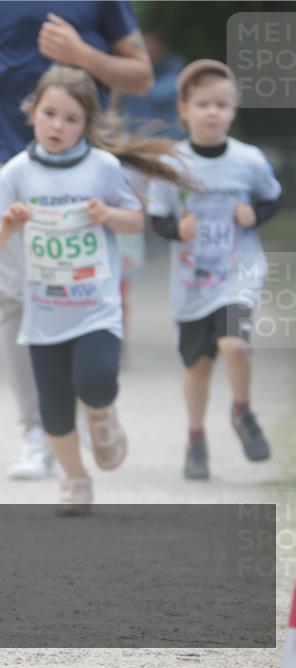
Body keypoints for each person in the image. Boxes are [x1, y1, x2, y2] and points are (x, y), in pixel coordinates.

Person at [0, 0, 153, 479]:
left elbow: (140, 75)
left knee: (77, 289)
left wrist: (83, 54)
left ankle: (97, 403)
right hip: (5, 157)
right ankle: (37, 433)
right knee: (15, 300)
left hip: (83, 167)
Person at [0, 65, 185, 514]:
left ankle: (102, 415)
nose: (57, 126)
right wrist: (9, 224)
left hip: (95, 306)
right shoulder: (16, 172)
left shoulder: (103, 168)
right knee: (53, 411)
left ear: (87, 124)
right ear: (32, 111)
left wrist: (108, 216)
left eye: (71, 119)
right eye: (50, 113)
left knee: (95, 381)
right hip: (43, 312)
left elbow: (136, 219)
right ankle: (75, 479)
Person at [147, 60, 283, 480]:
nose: (213, 112)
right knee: (199, 368)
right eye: (203, 103)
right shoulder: (172, 164)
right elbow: (157, 217)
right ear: (184, 108)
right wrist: (176, 229)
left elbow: (272, 198)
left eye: (222, 104)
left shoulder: (249, 160)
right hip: (192, 283)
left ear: (233, 110)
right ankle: (196, 439)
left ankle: (243, 412)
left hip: (237, 273)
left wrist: (253, 215)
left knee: (235, 346)